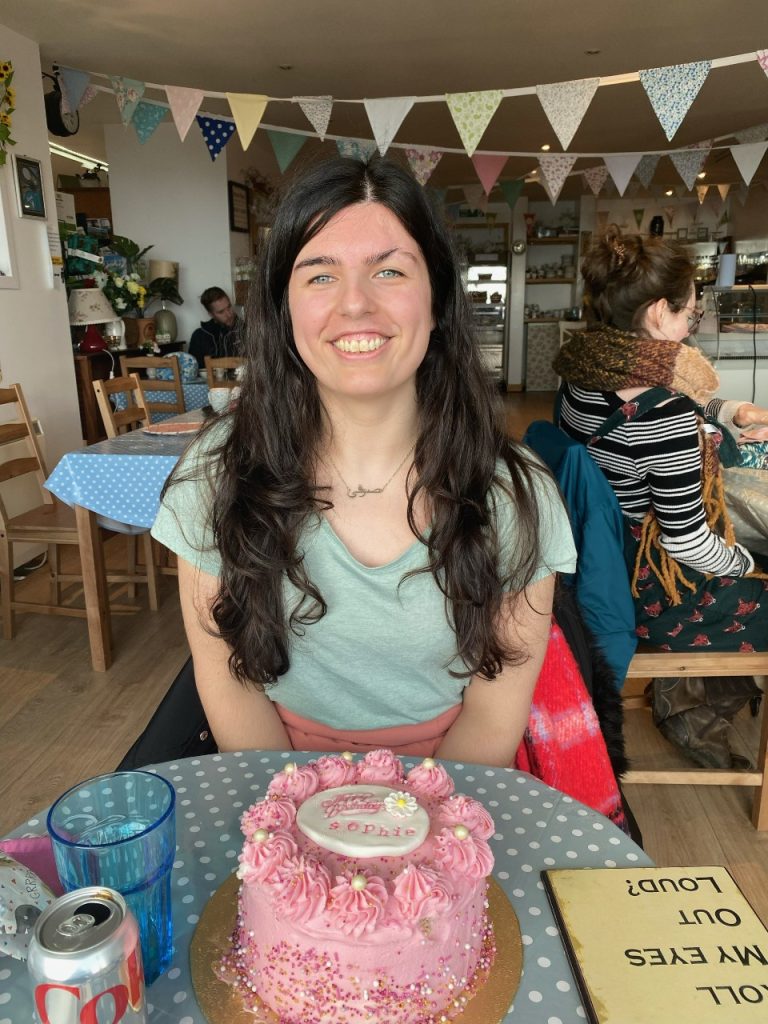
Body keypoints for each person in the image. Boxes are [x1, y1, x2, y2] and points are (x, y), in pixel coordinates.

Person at [152, 156, 577, 767]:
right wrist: (298, 827)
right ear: (283, 308)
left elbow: (492, 716)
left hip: (457, 785)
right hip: (270, 778)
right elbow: (227, 682)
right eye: (319, 276)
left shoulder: (513, 491)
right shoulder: (215, 475)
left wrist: (414, 839)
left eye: (390, 271)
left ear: (436, 299)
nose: (355, 304)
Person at [553, 229, 768, 765]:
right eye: (688, 315)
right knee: (756, 573)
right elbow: (686, 540)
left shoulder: (581, 373)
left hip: (596, 566)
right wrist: (748, 564)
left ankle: (689, 701)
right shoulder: (664, 415)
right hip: (650, 588)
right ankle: (690, 708)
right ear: (656, 312)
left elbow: (653, 409)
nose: (690, 326)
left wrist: (726, 412)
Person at [188, 286, 243, 366]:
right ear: (211, 314)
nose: (229, 314)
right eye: (221, 312)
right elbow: (193, 370)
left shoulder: (248, 330)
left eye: (229, 307)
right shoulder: (199, 336)